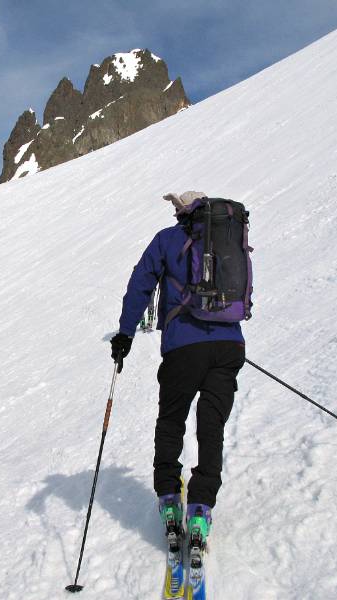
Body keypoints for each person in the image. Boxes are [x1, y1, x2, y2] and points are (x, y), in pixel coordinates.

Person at [110, 191, 246, 548]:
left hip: (183, 348)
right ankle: (200, 506)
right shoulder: (229, 236)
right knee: (211, 425)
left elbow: (140, 284)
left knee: (172, 420)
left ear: (183, 211)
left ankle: (170, 497)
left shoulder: (168, 239)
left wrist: (125, 334)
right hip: (229, 345)